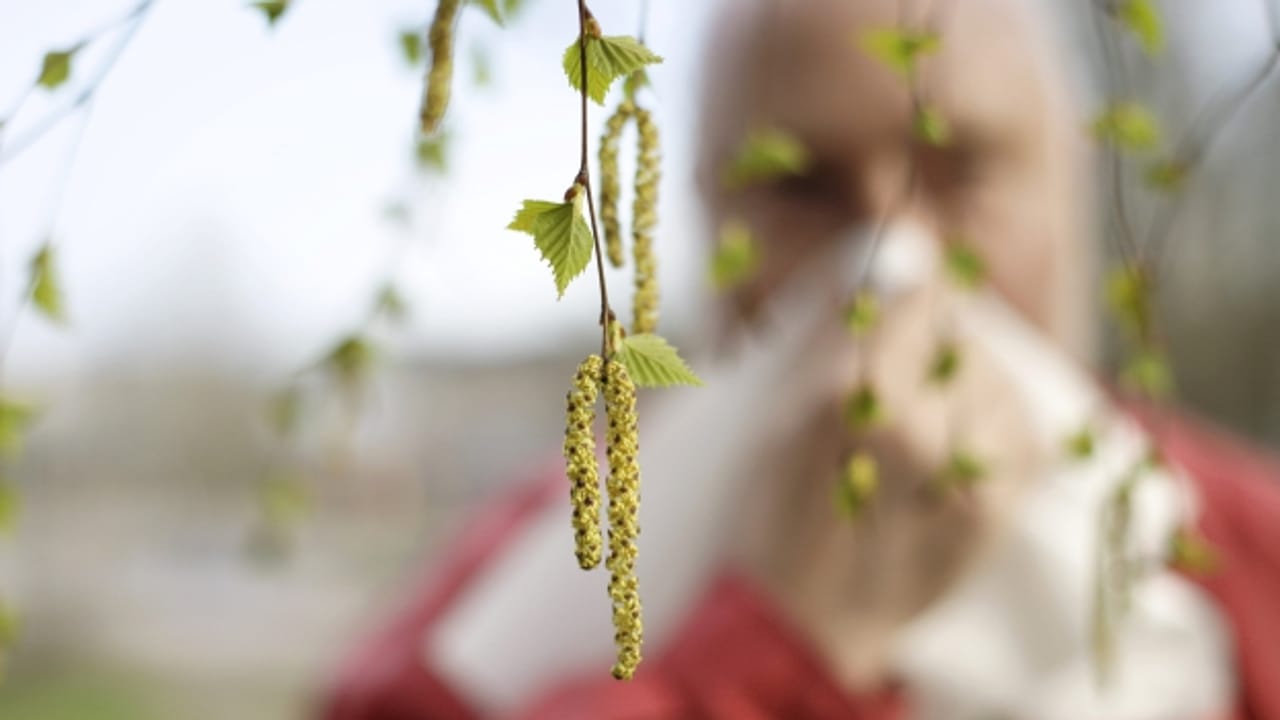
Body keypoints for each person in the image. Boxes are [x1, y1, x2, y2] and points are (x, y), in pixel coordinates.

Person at [319, 0, 1280, 717]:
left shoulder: (1248, 552)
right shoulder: (545, 566)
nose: (888, 264)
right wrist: (774, 649)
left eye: (959, 168)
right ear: (703, 210)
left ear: (1072, 181)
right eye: (798, 188)